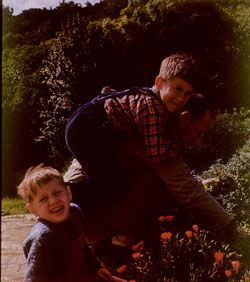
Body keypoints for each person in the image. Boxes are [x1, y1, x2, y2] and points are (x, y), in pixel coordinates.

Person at [65, 54, 244, 251]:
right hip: (85, 220)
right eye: (199, 133)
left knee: (113, 183)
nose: (199, 142)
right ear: (185, 119)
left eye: (187, 94)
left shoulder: (141, 112)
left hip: (77, 205)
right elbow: (186, 188)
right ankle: (117, 247)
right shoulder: (152, 119)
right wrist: (232, 226)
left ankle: (74, 209)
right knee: (157, 188)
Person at [17, 164, 114, 282]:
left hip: (81, 275)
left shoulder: (75, 213)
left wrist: (96, 267)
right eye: (43, 199)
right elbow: (34, 278)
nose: (53, 201)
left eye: (57, 192)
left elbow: (83, 247)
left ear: (68, 193)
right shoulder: (42, 236)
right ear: (33, 209)